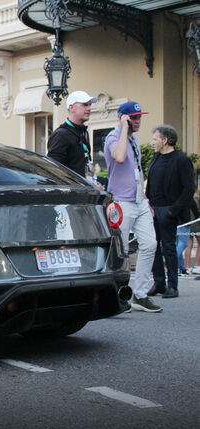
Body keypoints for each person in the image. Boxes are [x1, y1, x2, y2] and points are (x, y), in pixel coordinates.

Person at [104, 101, 161, 312]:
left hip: (138, 200)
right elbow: (119, 158)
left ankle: (140, 294)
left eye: (139, 117)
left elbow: (137, 171)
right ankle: (120, 295)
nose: (138, 121)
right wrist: (123, 129)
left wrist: (146, 199)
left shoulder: (134, 140)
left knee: (150, 244)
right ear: (124, 118)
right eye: (133, 118)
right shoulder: (113, 137)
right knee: (122, 249)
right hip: (121, 201)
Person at [145, 125, 194, 298]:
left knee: (169, 248)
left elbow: (189, 189)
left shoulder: (181, 160)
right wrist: (148, 203)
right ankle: (159, 283)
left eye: (155, 139)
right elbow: (150, 183)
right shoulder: (155, 158)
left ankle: (172, 285)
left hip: (169, 210)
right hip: (152, 209)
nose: (153, 142)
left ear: (165, 140)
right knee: (153, 247)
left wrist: (172, 212)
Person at [47, 90, 97, 183]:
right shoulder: (61, 134)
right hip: (71, 192)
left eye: (90, 105)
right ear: (71, 107)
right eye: (85, 105)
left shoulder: (83, 133)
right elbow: (53, 170)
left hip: (84, 190)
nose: (89, 108)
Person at [187, 191, 200, 274]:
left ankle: (187, 266)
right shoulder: (196, 198)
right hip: (196, 223)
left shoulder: (186, 197)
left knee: (188, 245)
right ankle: (196, 265)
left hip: (188, 222)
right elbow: (197, 211)